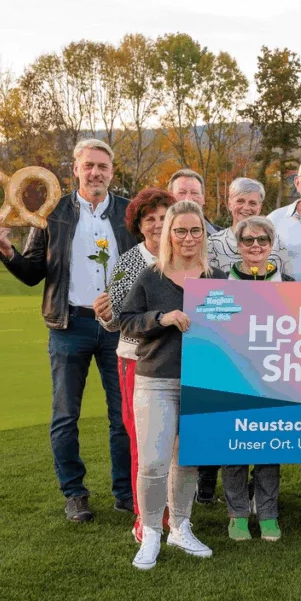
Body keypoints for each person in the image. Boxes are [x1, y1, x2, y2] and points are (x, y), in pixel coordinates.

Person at [0, 138, 135, 523]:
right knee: (66, 415)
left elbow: (142, 267)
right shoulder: (52, 213)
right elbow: (33, 272)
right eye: (89, 166)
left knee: (123, 416)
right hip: (69, 326)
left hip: (118, 328)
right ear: (75, 169)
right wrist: (7, 250)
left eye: (102, 166)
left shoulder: (128, 213)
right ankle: (75, 494)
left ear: (111, 172)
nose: (95, 172)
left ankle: (125, 492)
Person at [118, 200, 226, 570]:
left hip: (201, 382)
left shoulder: (216, 278)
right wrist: (160, 318)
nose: (188, 237)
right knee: (153, 462)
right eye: (180, 230)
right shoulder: (151, 276)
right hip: (156, 380)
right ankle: (150, 531)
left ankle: (181, 526)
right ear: (169, 234)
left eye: (195, 230)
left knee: (187, 461)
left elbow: (232, 328)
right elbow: (126, 321)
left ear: (204, 234)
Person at [200, 177, 291, 502]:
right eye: (240, 201)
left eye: (253, 202)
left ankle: (264, 504)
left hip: (270, 359)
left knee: (266, 435)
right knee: (229, 433)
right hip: (231, 355)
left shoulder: (280, 253)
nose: (246, 207)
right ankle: (227, 501)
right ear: (229, 202)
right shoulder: (212, 245)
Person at [93, 188, 175, 541]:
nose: (157, 225)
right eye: (149, 219)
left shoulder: (186, 258)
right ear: (139, 226)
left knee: (175, 443)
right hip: (137, 360)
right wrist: (104, 315)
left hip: (180, 359)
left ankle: (175, 512)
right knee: (144, 439)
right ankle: (147, 517)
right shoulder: (130, 262)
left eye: (163, 217)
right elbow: (116, 321)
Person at [219, 216, 287, 543]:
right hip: (231, 376)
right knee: (233, 449)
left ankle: (268, 513)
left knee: (268, 448)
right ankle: (237, 514)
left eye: (262, 240)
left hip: (274, 377)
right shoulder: (221, 283)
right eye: (248, 240)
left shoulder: (288, 284)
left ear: (271, 245)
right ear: (238, 245)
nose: (255, 245)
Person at [167, 168, 217, 233]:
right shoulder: (157, 235)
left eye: (194, 193)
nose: (188, 199)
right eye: (182, 193)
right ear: (170, 198)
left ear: (203, 198)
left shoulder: (223, 237)